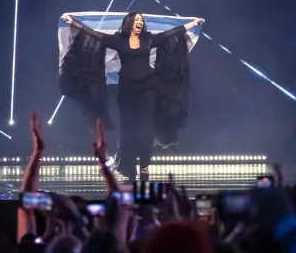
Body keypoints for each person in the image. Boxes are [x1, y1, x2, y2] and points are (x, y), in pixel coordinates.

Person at [61, 12, 203, 179]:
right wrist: (73, 23)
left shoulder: (149, 39)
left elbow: (170, 34)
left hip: (148, 85)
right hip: (127, 87)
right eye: (136, 20)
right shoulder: (118, 40)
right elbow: (94, 34)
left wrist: (193, 24)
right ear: (129, 23)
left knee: (146, 127)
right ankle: (128, 166)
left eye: (141, 20)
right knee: (128, 127)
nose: (140, 22)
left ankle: (144, 167)